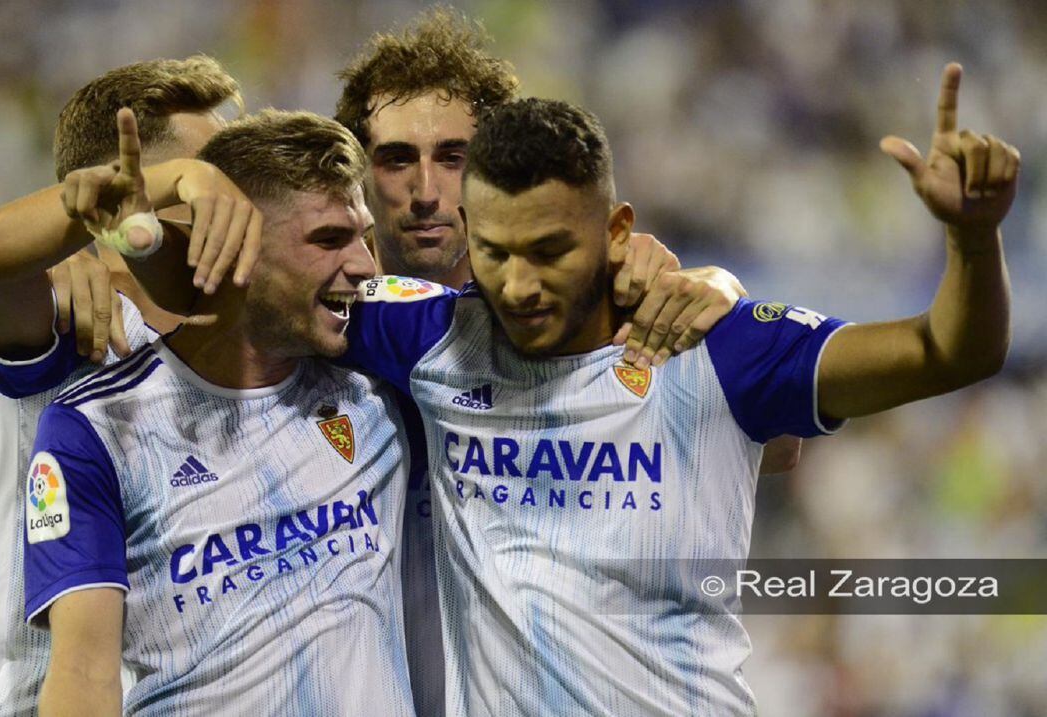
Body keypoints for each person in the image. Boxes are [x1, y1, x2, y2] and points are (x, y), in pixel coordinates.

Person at [339, 63, 1017, 715]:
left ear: (617, 232)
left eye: (549, 252)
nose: (518, 286)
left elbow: (949, 352)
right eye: (494, 252)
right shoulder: (436, 337)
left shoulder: (718, 347)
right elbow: (295, 275)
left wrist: (974, 237)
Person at [334, 12, 783, 714]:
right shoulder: (314, 328)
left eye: (453, 157)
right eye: (395, 159)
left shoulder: (607, 313)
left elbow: (771, 444)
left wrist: (720, 290)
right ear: (359, 174)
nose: (426, 190)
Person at [16, 109, 420, 715]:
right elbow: (82, 672)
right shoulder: (101, 427)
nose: (365, 265)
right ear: (237, 249)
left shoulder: (381, 382)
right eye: (329, 239)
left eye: (363, 236)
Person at [0, 55, 248, 716]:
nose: (231, 203)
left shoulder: (233, 349)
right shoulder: (68, 320)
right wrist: (172, 182)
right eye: (209, 180)